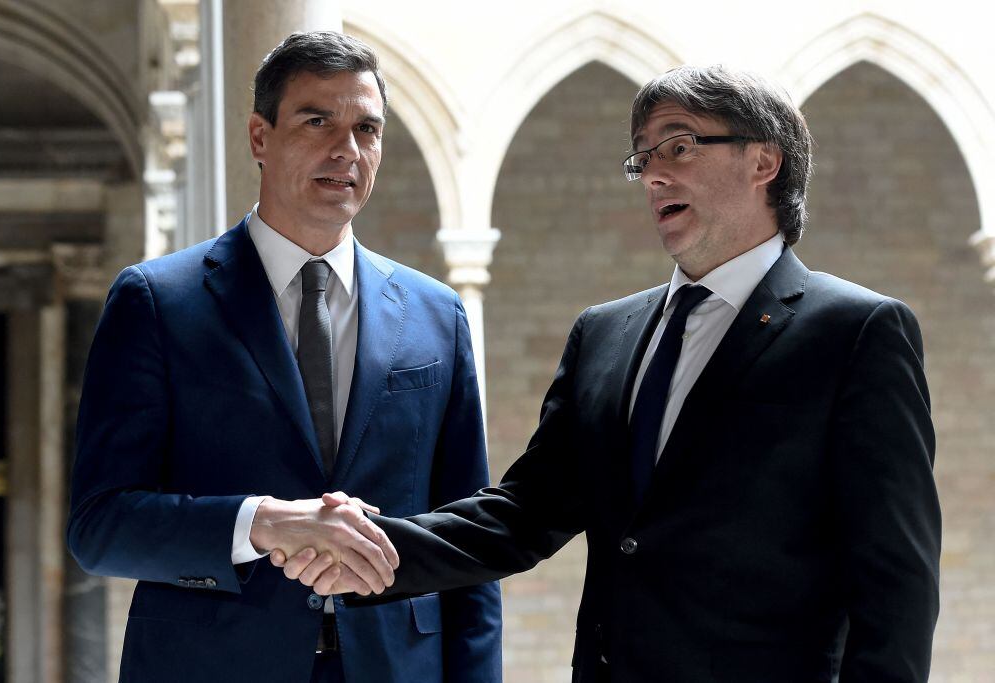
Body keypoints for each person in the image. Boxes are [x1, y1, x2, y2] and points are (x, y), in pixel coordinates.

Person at [279, 65, 942, 682]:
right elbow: (521, 514)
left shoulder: (856, 332)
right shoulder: (604, 334)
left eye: (679, 147)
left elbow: (897, 586)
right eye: (643, 157)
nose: (653, 175)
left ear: (763, 160)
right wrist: (366, 548)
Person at [67, 31, 501, 683]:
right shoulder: (157, 302)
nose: (346, 150)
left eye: (367, 128)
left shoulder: (437, 314)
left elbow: (470, 543)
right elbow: (101, 526)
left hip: (396, 667)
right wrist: (263, 522)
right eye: (317, 120)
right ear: (259, 138)